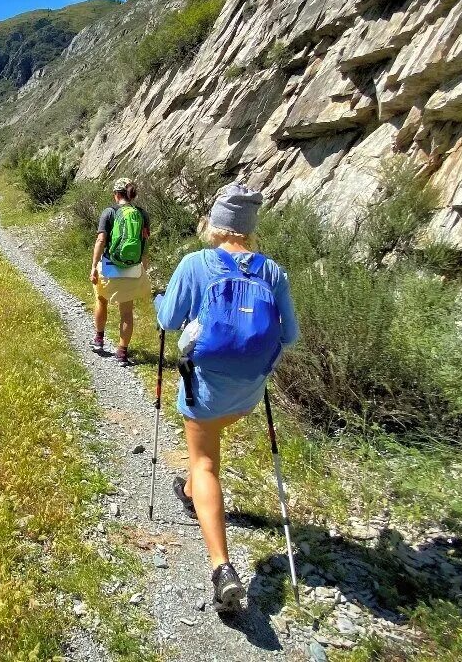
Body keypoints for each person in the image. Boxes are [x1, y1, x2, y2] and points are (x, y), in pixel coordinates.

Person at [154, 182, 299, 612]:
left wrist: (164, 297)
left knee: (205, 464)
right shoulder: (272, 272)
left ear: (215, 225)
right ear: (249, 228)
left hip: (205, 391)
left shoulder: (196, 264)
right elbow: (289, 335)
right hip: (249, 392)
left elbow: (167, 319)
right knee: (206, 457)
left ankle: (222, 568)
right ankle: (191, 490)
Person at [90, 177, 152, 364]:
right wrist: (144, 268)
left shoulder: (109, 212)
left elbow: (101, 241)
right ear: (132, 194)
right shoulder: (142, 214)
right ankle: (122, 352)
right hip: (132, 268)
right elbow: (145, 243)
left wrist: (93, 267)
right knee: (126, 311)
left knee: (101, 300)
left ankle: (99, 339)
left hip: (110, 267)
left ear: (116, 195)